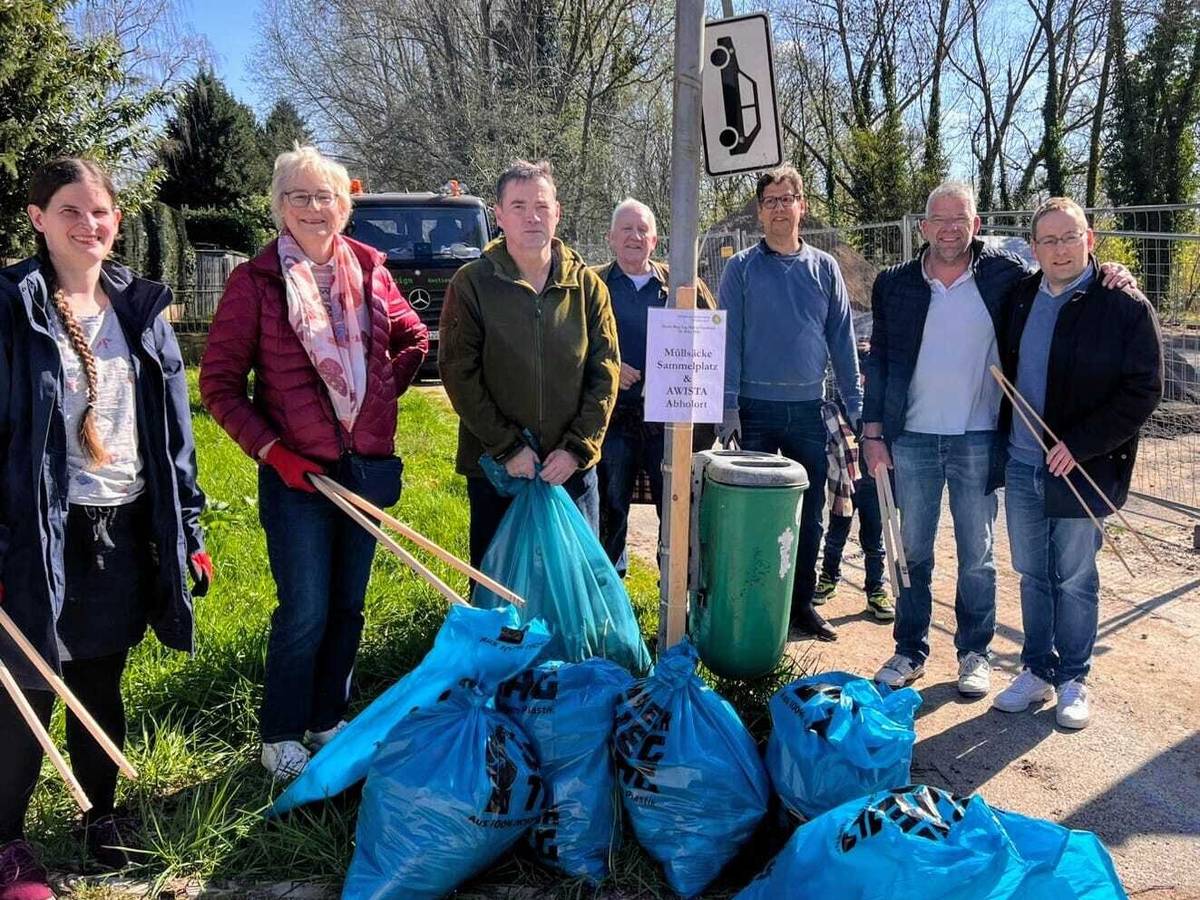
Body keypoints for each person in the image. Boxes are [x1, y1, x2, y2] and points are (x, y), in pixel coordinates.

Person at [0, 157, 210, 898]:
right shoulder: (10, 305)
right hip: (30, 531)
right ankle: (8, 844)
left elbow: (175, 432)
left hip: (121, 526)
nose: (89, 224)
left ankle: (100, 815)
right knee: (27, 684)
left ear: (116, 220)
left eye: (100, 211)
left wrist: (188, 527)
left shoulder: (141, 308)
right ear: (37, 218)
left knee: (99, 678)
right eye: (69, 210)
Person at [200, 146, 427, 780]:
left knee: (349, 604)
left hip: (365, 468)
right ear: (279, 207)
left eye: (324, 196)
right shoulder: (257, 281)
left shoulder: (370, 270)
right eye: (297, 196)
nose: (312, 208)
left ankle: (328, 719)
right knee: (304, 608)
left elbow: (413, 336)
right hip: (297, 476)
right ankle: (279, 735)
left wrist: (383, 389)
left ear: (344, 205)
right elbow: (219, 386)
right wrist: (275, 453)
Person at [862, 181, 1135, 697]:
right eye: (938, 220)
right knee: (913, 551)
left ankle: (974, 652)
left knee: (977, 555)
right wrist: (872, 432)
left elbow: (1066, 269)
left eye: (959, 218)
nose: (949, 229)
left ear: (977, 225)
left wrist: (1110, 273)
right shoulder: (894, 284)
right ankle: (909, 648)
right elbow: (879, 360)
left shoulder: (1005, 275)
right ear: (922, 228)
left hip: (979, 437)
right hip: (912, 438)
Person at [992, 197, 1161, 729]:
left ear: (1090, 240)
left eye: (1071, 237)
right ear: (1034, 247)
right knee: (1031, 573)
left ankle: (1074, 679)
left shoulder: (1123, 304)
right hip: (1022, 462)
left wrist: (1081, 443)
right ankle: (1037, 669)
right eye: (1050, 240)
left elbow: (1143, 390)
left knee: (1074, 577)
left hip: (1079, 466)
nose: (1061, 249)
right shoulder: (1019, 296)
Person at [439, 160, 619, 569]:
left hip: (568, 470)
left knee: (572, 583)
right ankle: (501, 636)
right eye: (518, 206)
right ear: (498, 215)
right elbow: (458, 372)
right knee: (500, 585)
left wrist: (576, 449)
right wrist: (508, 448)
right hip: (498, 472)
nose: (531, 216)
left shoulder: (588, 286)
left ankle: (568, 638)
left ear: (558, 212)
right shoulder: (471, 284)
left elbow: (605, 370)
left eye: (541, 205)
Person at [718, 165, 862, 642]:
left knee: (809, 515)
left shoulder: (825, 269)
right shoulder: (740, 269)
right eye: (771, 200)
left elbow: (842, 342)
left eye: (788, 198)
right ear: (760, 211)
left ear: (802, 206)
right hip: (753, 413)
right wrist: (729, 406)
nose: (780, 207)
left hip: (808, 411)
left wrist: (856, 407)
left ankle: (799, 604)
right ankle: (753, 601)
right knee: (752, 513)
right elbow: (729, 339)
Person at [592, 198, 716, 576]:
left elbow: (710, 341)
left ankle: (676, 589)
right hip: (612, 416)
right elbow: (571, 347)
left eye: (642, 229)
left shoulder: (683, 285)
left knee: (676, 505)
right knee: (611, 502)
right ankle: (610, 592)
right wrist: (611, 369)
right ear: (611, 237)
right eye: (626, 229)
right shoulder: (592, 284)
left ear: (655, 239)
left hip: (669, 420)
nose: (634, 236)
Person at [815, 343, 892, 621]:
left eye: (867, 373)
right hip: (843, 482)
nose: (862, 380)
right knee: (836, 535)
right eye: (858, 372)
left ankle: (876, 590)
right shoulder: (836, 406)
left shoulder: (882, 406)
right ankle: (828, 579)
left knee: (874, 539)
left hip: (873, 480)